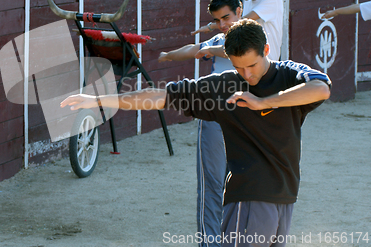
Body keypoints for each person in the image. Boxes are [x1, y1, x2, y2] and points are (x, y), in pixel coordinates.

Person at [61, 19, 331, 247]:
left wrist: (265, 102)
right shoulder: (222, 87)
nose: (247, 74)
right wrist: (102, 100)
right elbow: (160, 96)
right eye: (239, 67)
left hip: (285, 195)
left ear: (267, 50)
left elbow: (322, 88)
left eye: (252, 65)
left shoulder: (290, 75)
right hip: (248, 195)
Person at [158, 0, 240, 247]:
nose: (223, 25)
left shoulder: (252, 35)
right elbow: (193, 49)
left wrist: (210, 49)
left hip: (245, 119)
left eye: (226, 18)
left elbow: (237, 50)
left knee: (239, 182)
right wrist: (169, 55)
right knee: (213, 183)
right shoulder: (218, 38)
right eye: (218, 21)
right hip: (216, 117)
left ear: (239, 11)